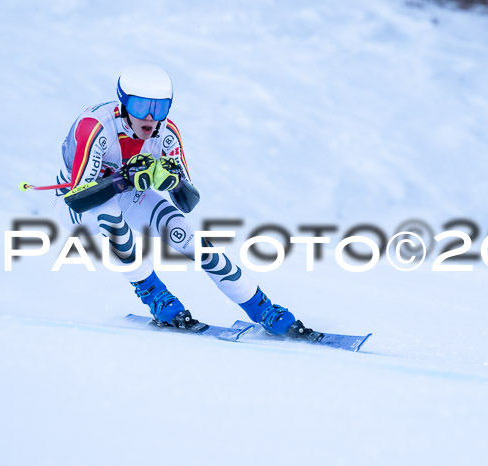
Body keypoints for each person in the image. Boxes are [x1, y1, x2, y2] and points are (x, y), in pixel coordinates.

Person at [52, 63, 317, 339]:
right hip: (77, 205)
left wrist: (173, 181)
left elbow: (187, 203)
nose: (151, 117)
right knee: (112, 219)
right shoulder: (95, 127)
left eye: (161, 108)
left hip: (128, 195)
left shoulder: (166, 134)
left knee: (185, 235)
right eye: (141, 107)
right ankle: (156, 296)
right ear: (124, 103)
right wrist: (123, 178)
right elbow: (79, 200)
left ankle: (261, 307)